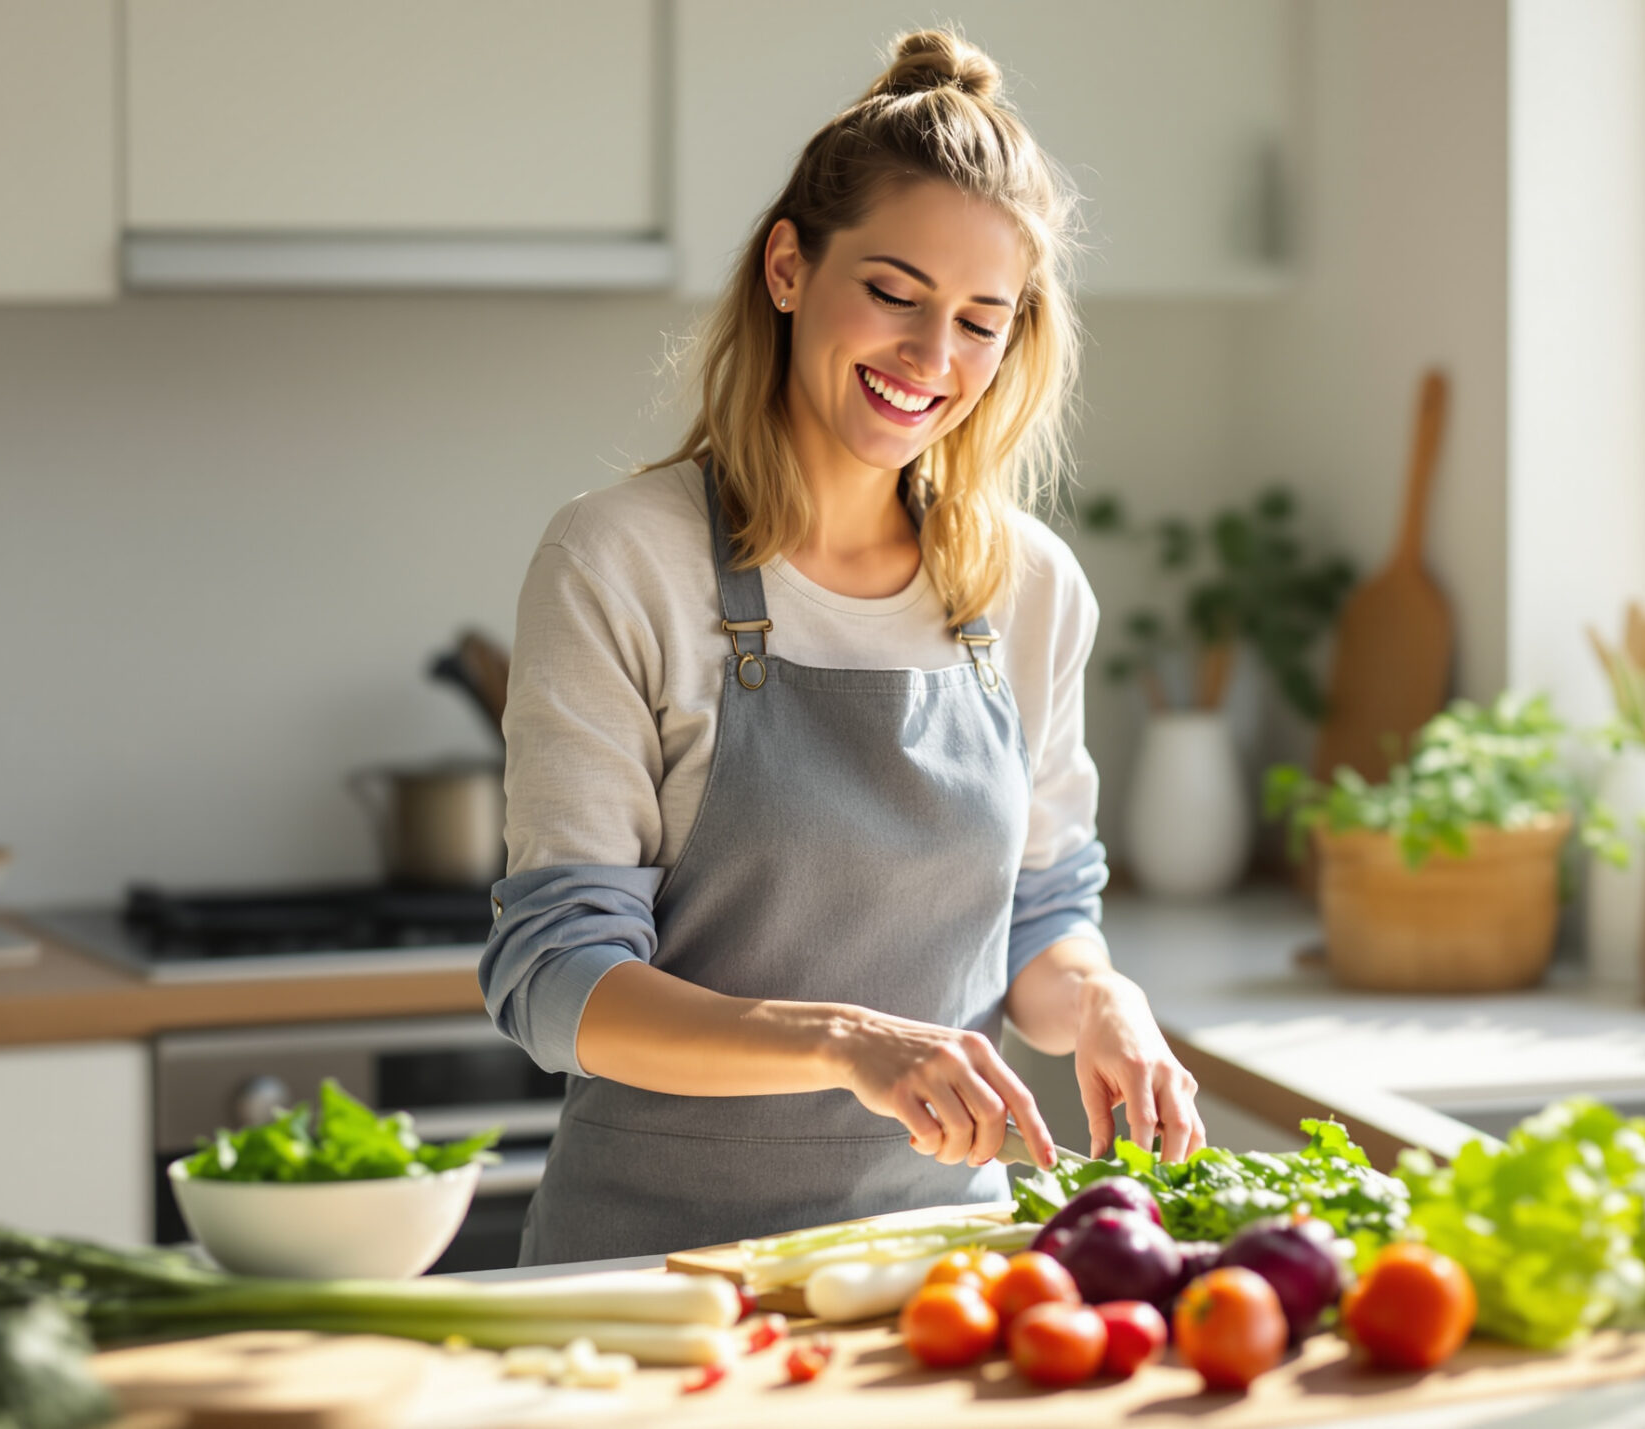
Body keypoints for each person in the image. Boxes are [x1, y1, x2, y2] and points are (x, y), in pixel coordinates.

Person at [480, 27, 1205, 1267]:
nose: (933, 360)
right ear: (785, 267)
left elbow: (1037, 920)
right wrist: (838, 1041)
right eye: (893, 292)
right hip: (651, 1283)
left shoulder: (1026, 586)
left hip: (934, 1273)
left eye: (983, 320)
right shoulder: (620, 560)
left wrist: (1102, 1001)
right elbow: (557, 977)